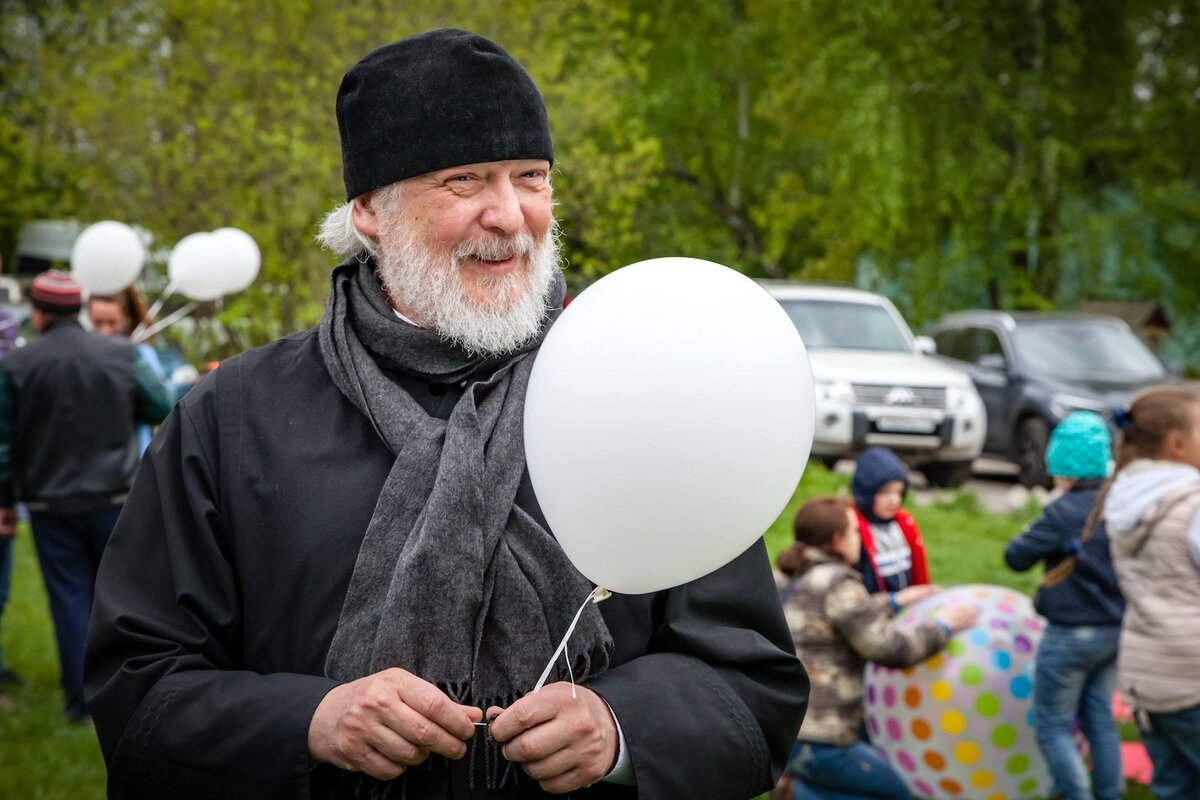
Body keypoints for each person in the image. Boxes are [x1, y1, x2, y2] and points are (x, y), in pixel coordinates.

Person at [84, 29, 809, 800]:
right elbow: (138, 693)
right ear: (368, 208)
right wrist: (310, 722)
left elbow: (755, 689)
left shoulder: (647, 391)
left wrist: (622, 728)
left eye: (530, 177)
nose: (509, 215)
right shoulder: (231, 419)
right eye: (464, 181)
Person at [0, 270, 172, 720]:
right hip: (116, 496)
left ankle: (81, 700)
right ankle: (125, 687)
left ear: (38, 314)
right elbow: (159, 405)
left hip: (48, 502)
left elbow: (2, 442)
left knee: (69, 598)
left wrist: (4, 500)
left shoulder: (16, 365)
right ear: (76, 310)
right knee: (117, 597)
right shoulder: (119, 354)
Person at [774, 497, 976, 799]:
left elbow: (839, 617)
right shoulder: (838, 583)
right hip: (822, 739)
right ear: (838, 540)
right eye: (856, 531)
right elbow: (890, 648)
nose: (861, 538)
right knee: (898, 792)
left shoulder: (791, 576)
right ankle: (798, 792)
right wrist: (943, 626)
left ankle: (798, 787)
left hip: (782, 732)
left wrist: (897, 600)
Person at [1004, 411, 1124, 800]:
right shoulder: (1117, 504)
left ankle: (1076, 794)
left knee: (1053, 725)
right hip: (1112, 629)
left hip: (1070, 634)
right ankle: (1110, 793)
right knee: (1100, 722)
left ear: (1062, 468)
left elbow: (1015, 557)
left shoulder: (1061, 512)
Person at [1099, 386, 1200, 800]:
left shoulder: (1127, 498)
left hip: (1147, 676)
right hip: (1193, 674)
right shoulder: (1191, 503)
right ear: (1177, 445)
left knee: (1175, 785)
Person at [88, 286, 173, 453]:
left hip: (131, 459)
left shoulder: (139, 355)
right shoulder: (82, 354)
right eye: (98, 323)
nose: (105, 331)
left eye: (112, 323)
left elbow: (163, 406)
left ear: (125, 319)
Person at [850, 446, 930, 594]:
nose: (893, 500)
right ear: (866, 491)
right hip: (874, 608)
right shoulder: (854, 526)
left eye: (899, 492)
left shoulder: (905, 523)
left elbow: (919, 569)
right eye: (885, 492)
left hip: (907, 605)